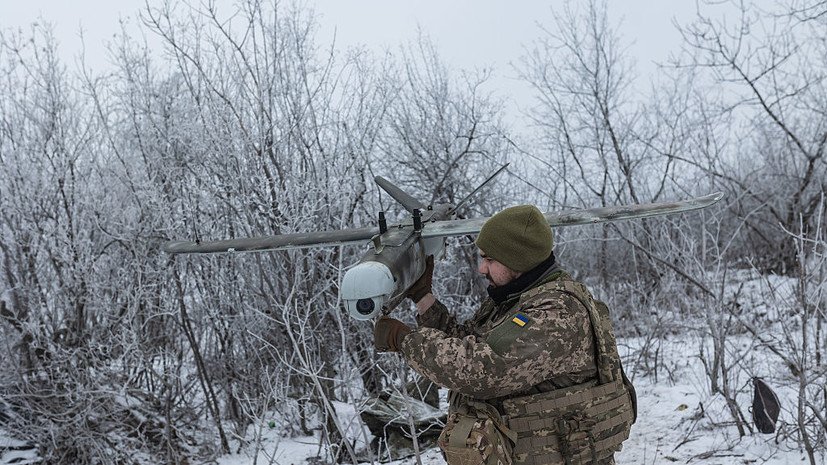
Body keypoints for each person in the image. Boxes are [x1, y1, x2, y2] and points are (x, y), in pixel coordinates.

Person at [374, 205, 636, 465]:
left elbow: (485, 370)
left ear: (518, 260)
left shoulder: (558, 313)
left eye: (489, 259)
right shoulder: (515, 300)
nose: (481, 269)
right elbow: (466, 343)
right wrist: (424, 299)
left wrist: (405, 341)